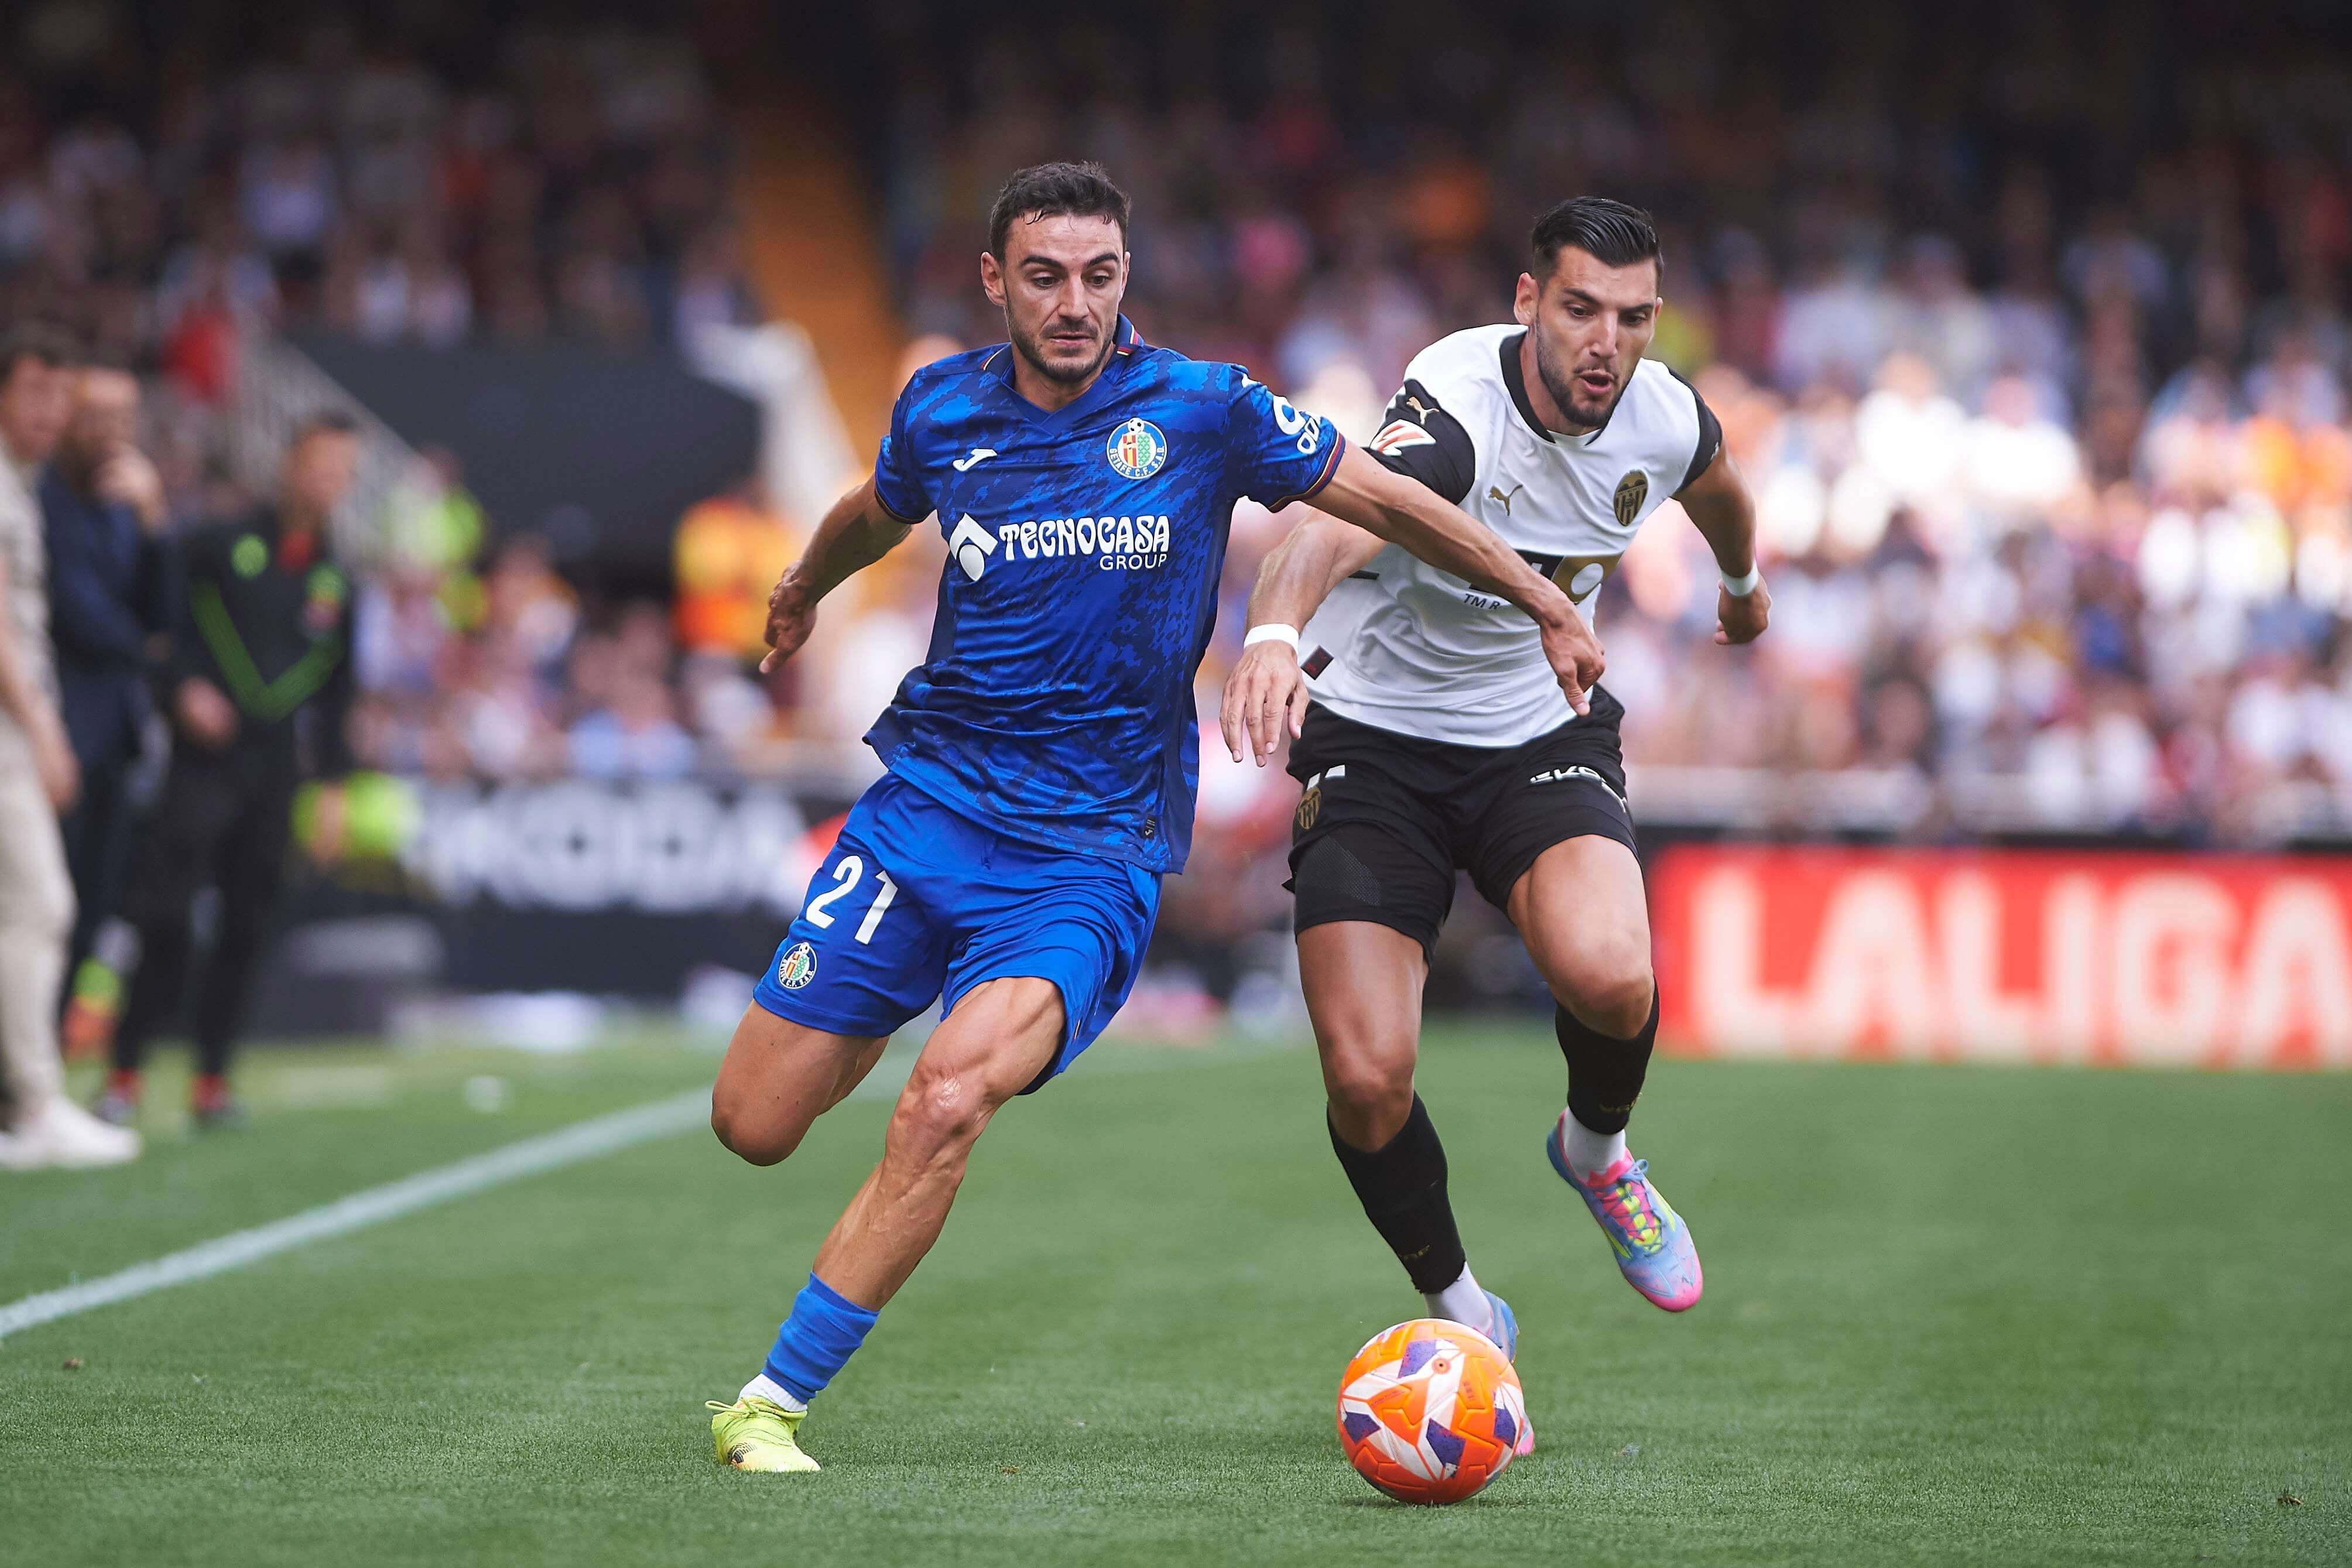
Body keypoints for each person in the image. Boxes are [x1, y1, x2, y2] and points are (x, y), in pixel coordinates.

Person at [703, 162, 1602, 1474]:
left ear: (1126, 274)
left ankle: (769, 1401)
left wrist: (1541, 595)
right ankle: (883, 1010)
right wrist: (799, 587)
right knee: (755, 1123)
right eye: (1048, 276)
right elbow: (870, 508)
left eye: (1101, 274)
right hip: (923, 815)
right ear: (995, 280)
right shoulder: (940, 407)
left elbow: (1387, 497)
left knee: (946, 1101)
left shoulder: (1200, 408)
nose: (1076, 303)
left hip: (1089, 856)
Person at [1219, 198, 1769, 1342]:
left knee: (1614, 976)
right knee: (1366, 1081)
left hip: (1535, 731)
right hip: (1374, 743)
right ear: (1528, 304)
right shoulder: (1457, 413)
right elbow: (1328, 524)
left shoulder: (1662, 417)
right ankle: (1459, 1305)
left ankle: (1596, 1151)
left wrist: (1739, 583)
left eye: (1631, 317)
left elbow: (1715, 485)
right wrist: (1272, 635)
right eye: (1577, 309)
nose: (1603, 342)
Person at [98, 412, 360, 1129]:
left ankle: (212, 1079)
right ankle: (123, 1072)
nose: (329, 479)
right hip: (202, 761)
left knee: (248, 922)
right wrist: (181, 688)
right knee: (166, 916)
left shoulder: (337, 576)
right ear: (290, 463)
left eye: (343, 469)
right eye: (320, 462)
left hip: (275, 769)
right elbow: (164, 619)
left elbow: (339, 691)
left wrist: (331, 788)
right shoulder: (220, 540)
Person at [0, 325, 139, 1168]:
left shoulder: (24, 487)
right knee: (42, 903)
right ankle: (35, 1101)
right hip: (9, 729)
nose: (52, 411)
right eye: (37, 390)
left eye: (62, 393)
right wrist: (46, 730)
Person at [42, 363, 173, 1039]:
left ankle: (42, 1074)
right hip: (49, 730)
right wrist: (143, 649)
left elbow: (165, 614)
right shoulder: (38, 495)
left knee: (91, 907)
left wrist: (155, 524)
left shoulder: (127, 505)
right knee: (39, 905)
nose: (108, 432)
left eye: (120, 419)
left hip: (115, 733)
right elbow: (75, 609)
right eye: (94, 415)